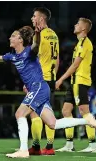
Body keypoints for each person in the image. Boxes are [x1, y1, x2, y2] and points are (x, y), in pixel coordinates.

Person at [0, 25, 96, 158]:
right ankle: (86, 120)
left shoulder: (29, 51)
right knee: (53, 124)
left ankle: (23, 150)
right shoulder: (12, 56)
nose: (9, 38)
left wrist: (36, 33)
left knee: (20, 113)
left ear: (20, 40)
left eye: (13, 36)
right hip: (40, 89)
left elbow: (36, 45)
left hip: (38, 87)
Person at [55, 18, 96, 153]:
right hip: (75, 82)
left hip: (80, 81)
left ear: (83, 29)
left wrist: (60, 79)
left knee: (84, 112)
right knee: (66, 111)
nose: (75, 25)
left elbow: (75, 65)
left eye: (78, 24)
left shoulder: (85, 43)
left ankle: (92, 145)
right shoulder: (80, 43)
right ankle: (69, 145)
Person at [25, 7, 59, 155]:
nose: (32, 19)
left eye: (34, 16)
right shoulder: (54, 35)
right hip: (51, 78)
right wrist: (54, 77)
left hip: (40, 79)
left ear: (41, 18)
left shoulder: (39, 36)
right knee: (48, 111)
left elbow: (32, 59)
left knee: (34, 113)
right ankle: (49, 147)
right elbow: (57, 60)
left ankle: (37, 146)